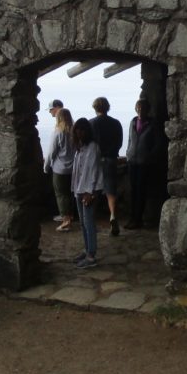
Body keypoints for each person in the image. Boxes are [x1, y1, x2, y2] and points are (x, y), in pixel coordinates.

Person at [70, 117, 103, 269]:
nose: (79, 133)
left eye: (82, 130)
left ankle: (91, 255)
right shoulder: (80, 148)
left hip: (88, 190)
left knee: (89, 222)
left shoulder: (93, 147)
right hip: (79, 189)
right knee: (83, 222)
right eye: (77, 130)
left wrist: (90, 192)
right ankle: (87, 249)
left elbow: (93, 171)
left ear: (87, 131)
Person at [89, 97, 123, 237]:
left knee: (93, 190)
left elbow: (88, 144)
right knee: (111, 190)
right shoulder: (116, 123)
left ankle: (91, 220)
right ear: (107, 107)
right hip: (110, 159)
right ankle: (113, 215)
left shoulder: (91, 123)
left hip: (96, 161)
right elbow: (119, 142)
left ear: (95, 108)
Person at [124, 98, 157, 230]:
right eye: (138, 107)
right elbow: (130, 140)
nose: (140, 110)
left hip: (144, 163)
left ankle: (138, 219)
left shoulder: (152, 124)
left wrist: (149, 156)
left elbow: (157, 143)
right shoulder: (133, 121)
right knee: (133, 190)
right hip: (132, 161)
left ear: (147, 110)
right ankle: (132, 218)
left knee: (140, 191)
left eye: (142, 108)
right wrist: (128, 153)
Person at [44, 108, 76, 232]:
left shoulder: (58, 132)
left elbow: (51, 152)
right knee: (70, 193)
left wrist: (46, 166)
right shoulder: (74, 132)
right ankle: (69, 215)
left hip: (60, 169)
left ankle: (66, 220)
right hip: (73, 168)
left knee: (61, 195)